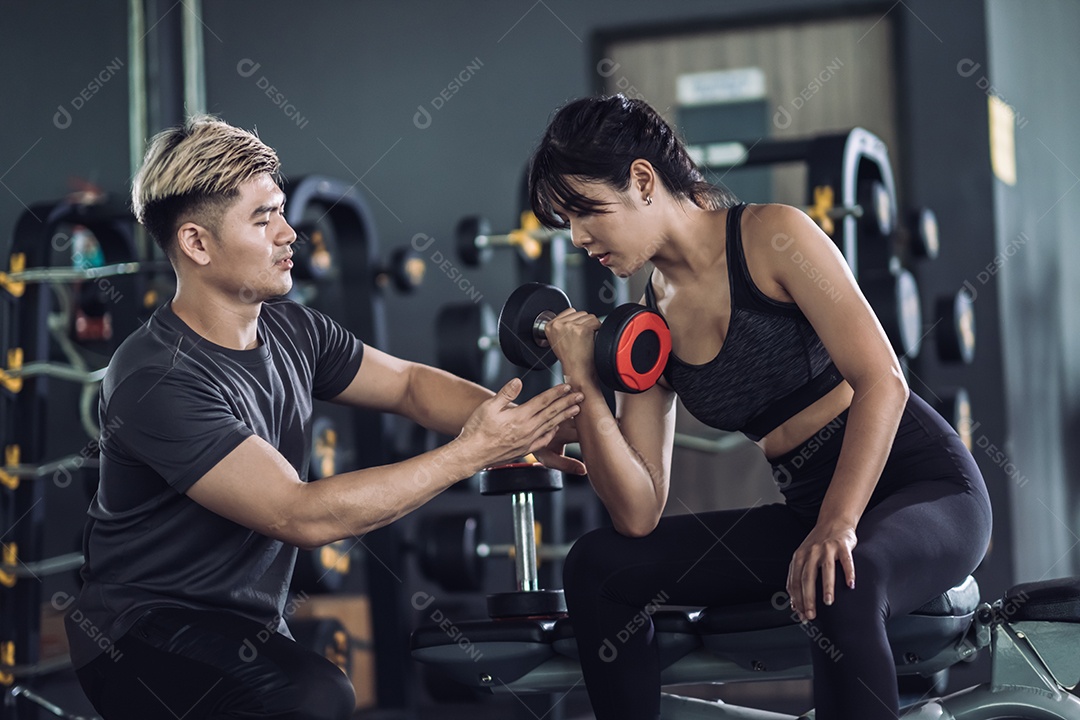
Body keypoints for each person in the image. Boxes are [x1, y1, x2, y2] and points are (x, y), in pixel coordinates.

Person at [66, 115, 584, 720]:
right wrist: (471, 452)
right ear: (197, 244)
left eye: (283, 211)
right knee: (313, 693)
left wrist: (533, 426)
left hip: (243, 624)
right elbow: (298, 513)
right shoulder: (158, 377)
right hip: (137, 636)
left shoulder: (294, 329)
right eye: (263, 219)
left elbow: (410, 387)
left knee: (310, 689)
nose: (290, 234)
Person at [529, 95, 992, 720]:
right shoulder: (644, 323)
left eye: (586, 211)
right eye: (567, 221)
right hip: (809, 508)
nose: (579, 237)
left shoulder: (774, 237)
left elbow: (883, 381)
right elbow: (638, 512)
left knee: (841, 582)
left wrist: (838, 524)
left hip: (922, 486)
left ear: (642, 180)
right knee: (598, 565)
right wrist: (583, 379)